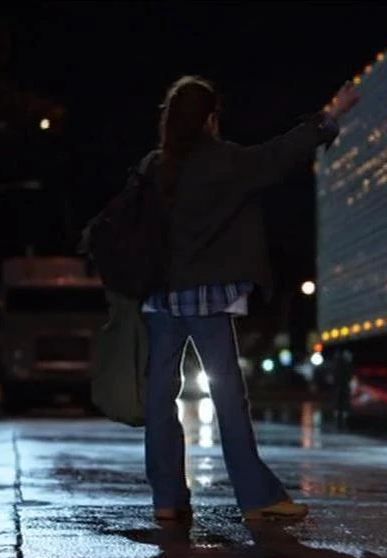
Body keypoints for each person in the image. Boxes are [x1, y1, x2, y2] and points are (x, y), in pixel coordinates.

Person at [140, 75, 359, 524]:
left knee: (159, 398)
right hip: (207, 298)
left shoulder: (154, 168)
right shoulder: (225, 162)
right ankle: (256, 497)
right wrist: (330, 116)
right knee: (228, 397)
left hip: (160, 299)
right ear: (210, 120)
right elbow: (279, 154)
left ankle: (167, 498)